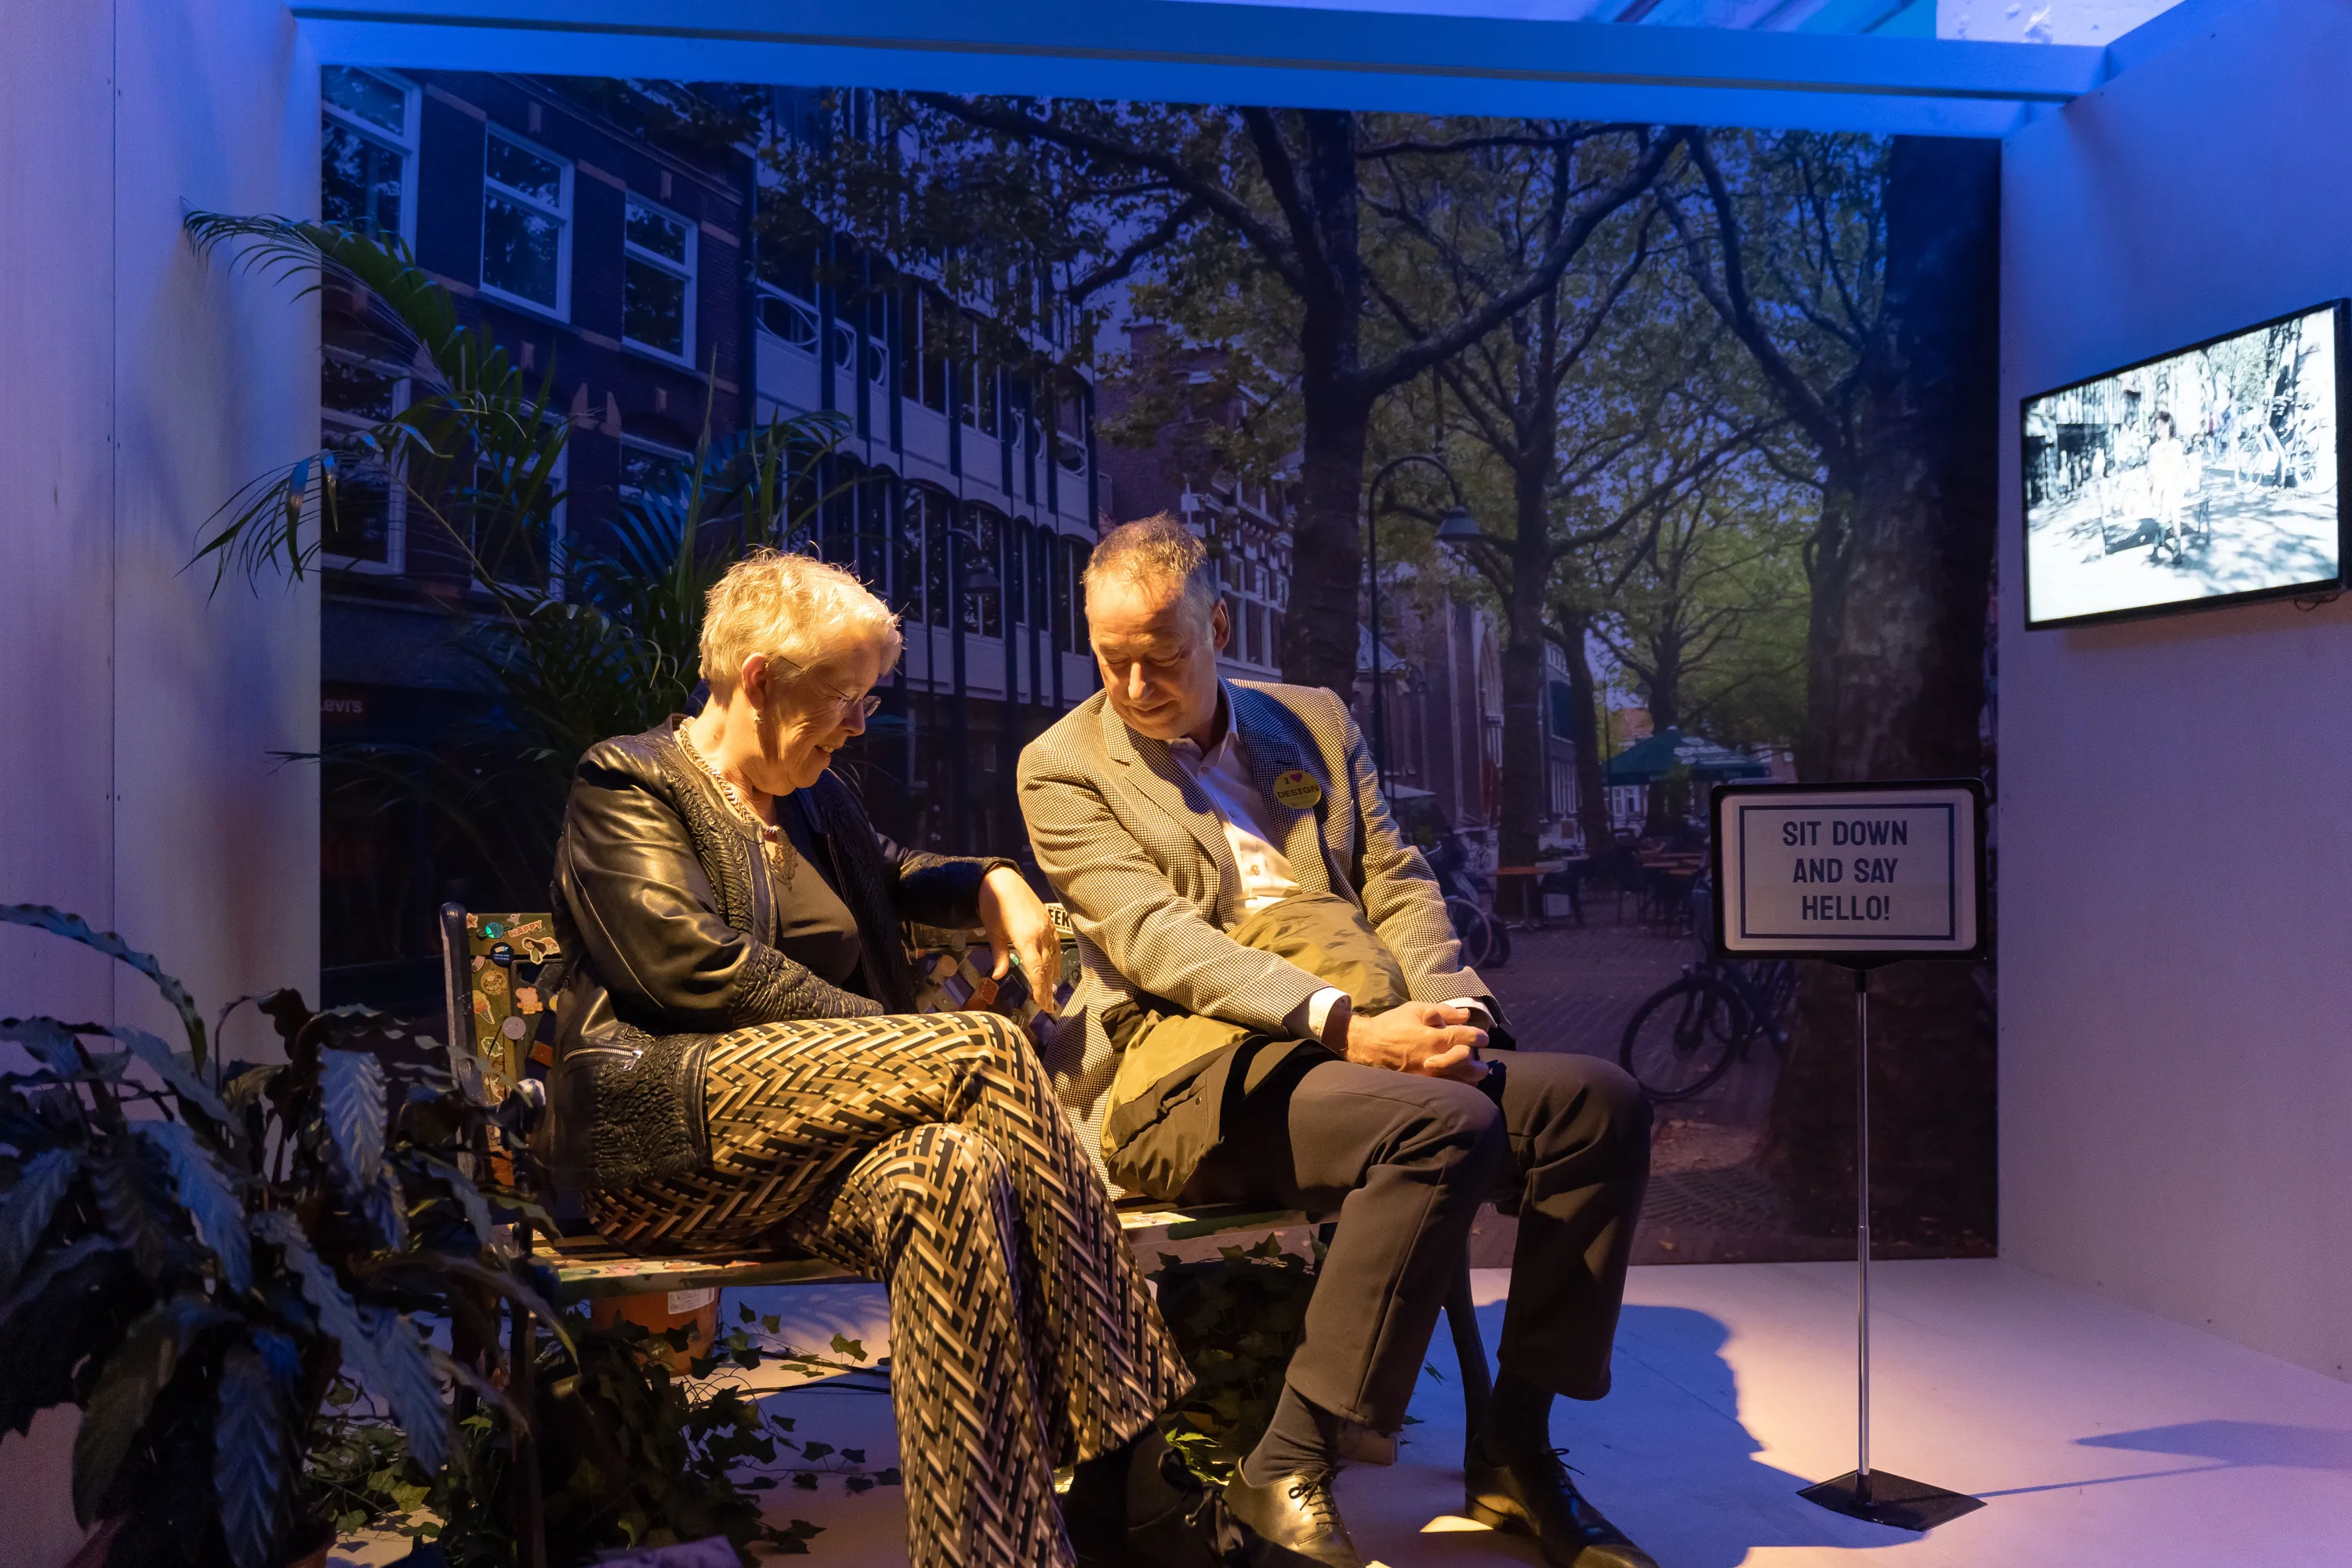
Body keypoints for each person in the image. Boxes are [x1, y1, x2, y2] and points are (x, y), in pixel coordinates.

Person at [542, 549, 1224, 1568]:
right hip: (666, 1135)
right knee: (982, 1052)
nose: (862, 723)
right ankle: (1134, 1458)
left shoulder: (813, 800)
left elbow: (895, 872)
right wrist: (895, 1043)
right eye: (847, 697)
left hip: (809, 1150)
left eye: (870, 699)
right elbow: (691, 968)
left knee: (952, 1171)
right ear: (760, 679)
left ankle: (997, 1553)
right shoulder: (629, 782)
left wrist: (992, 879)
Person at [1018, 517, 1657, 1568]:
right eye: (1110, 659)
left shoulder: (1311, 721)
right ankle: (1287, 1465)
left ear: (1220, 627)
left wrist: (1449, 1015)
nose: (1133, 686)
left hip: (1368, 1039)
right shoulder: (1063, 766)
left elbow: (1395, 880)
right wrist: (1349, 1028)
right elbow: (1158, 940)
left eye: (1161, 656)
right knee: (1442, 1127)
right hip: (1189, 1071)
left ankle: (1515, 1446)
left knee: (1599, 1106)